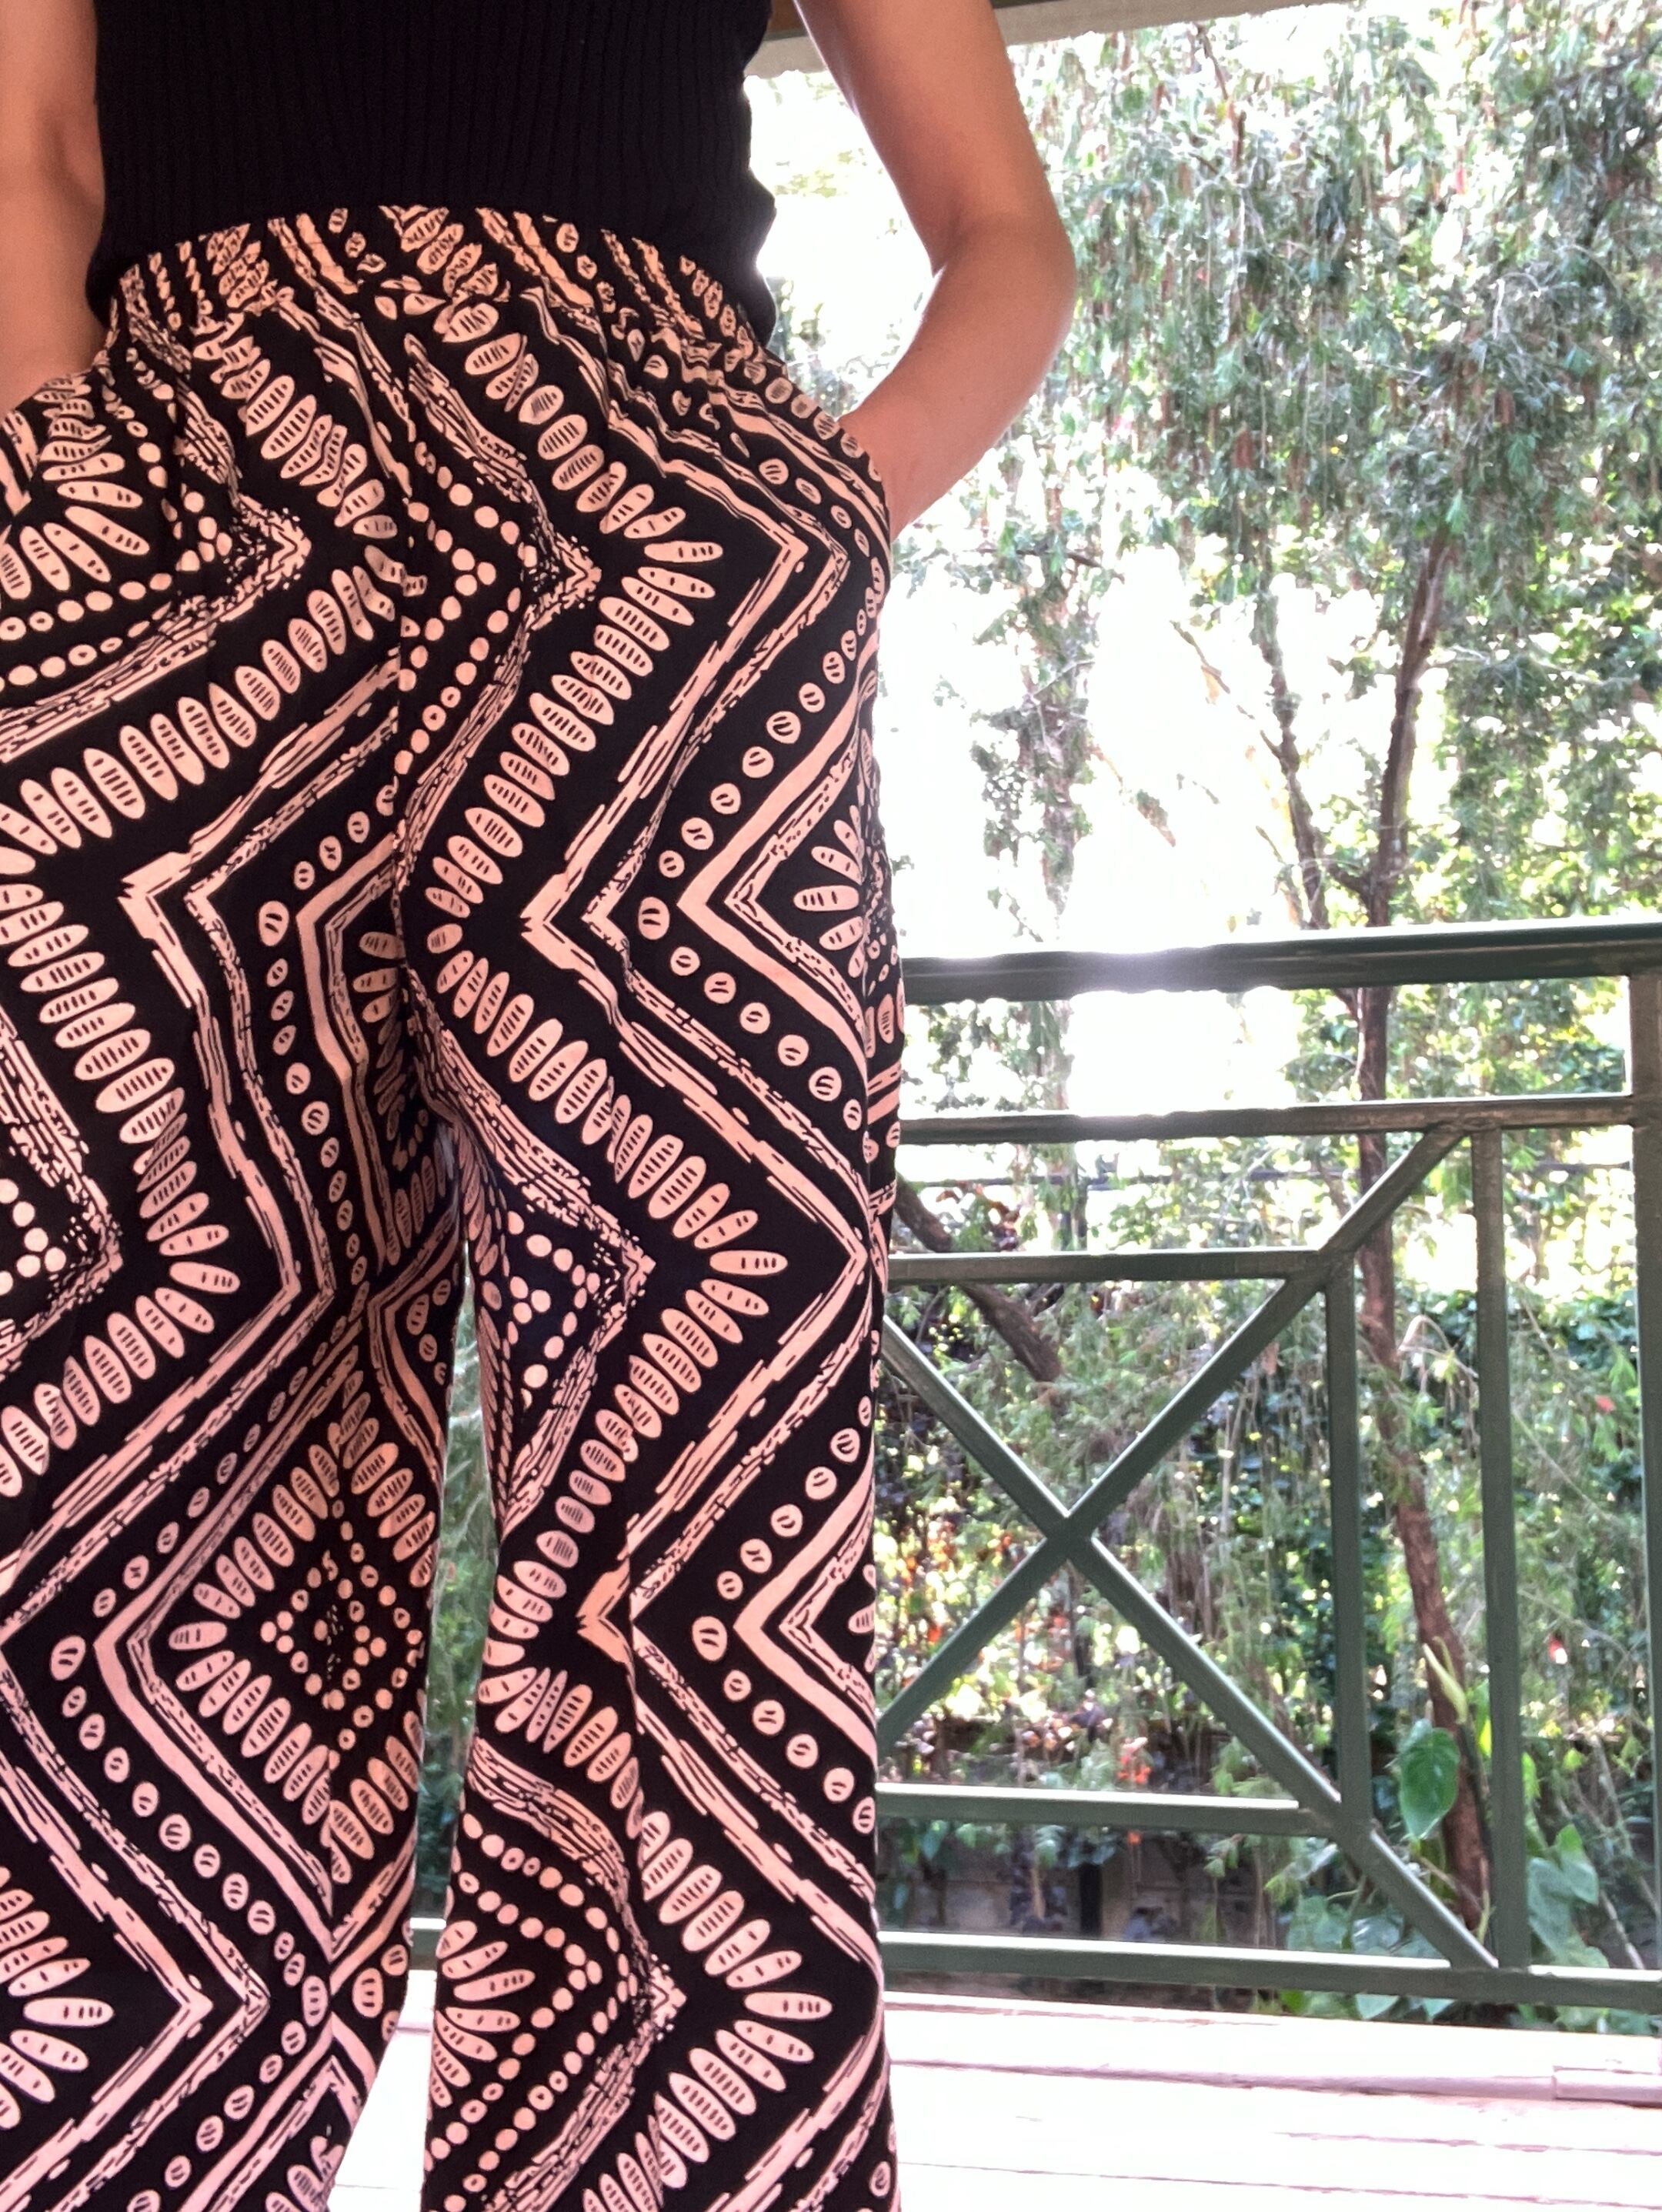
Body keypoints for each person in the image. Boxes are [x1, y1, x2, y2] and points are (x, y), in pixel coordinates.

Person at [0, 2, 1074, 2206]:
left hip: (654, 556)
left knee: (689, 1496)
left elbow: (1007, 237)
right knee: (130, 1473)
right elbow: (27, 149)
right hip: (170, 525)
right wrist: (57, 506)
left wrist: (810, 520)